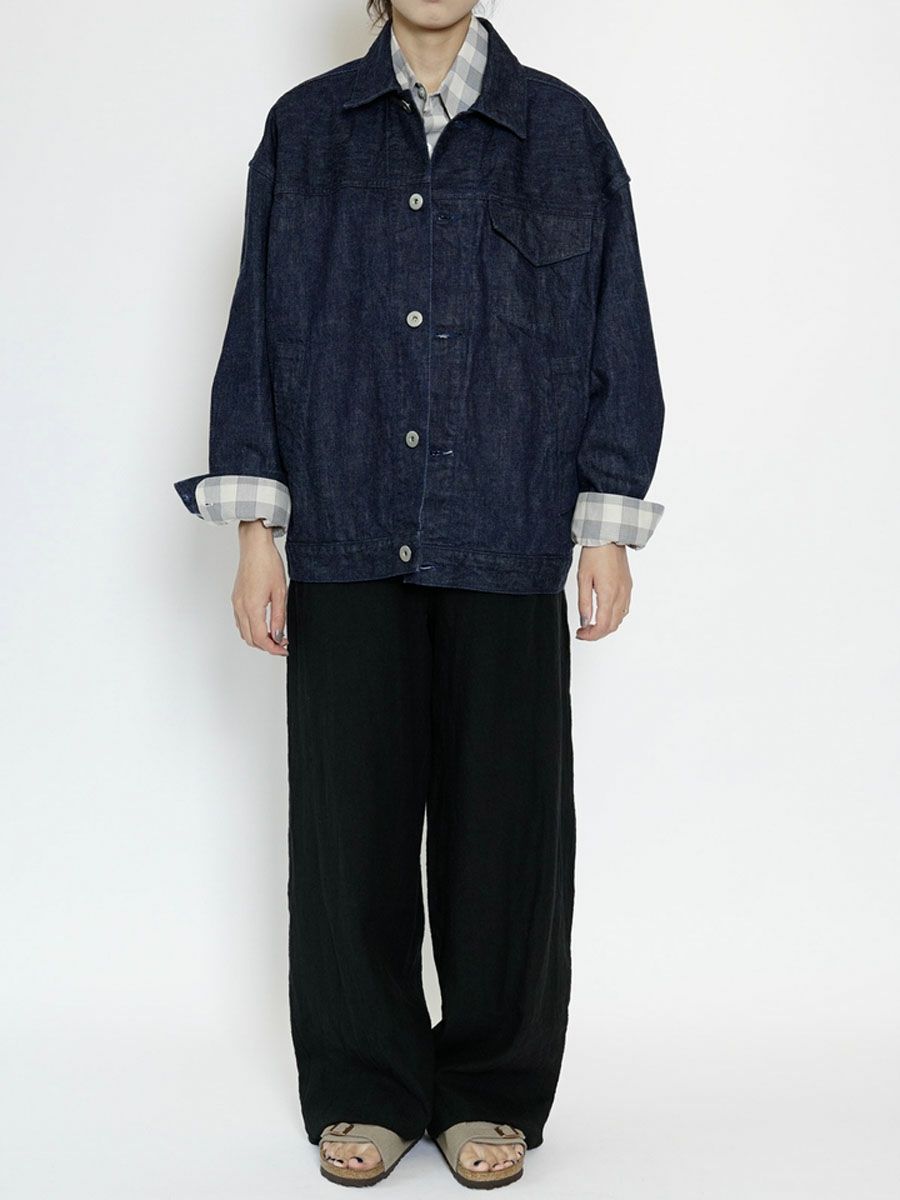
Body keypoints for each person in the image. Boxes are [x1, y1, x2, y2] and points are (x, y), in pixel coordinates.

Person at [173, 0, 665, 1187]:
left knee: (507, 837)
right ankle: (367, 1084)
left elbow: (619, 329)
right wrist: (256, 533)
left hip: (509, 526)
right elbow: (260, 332)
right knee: (352, 835)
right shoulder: (307, 132)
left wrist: (608, 524)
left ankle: (490, 1090)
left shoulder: (564, 132)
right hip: (345, 526)